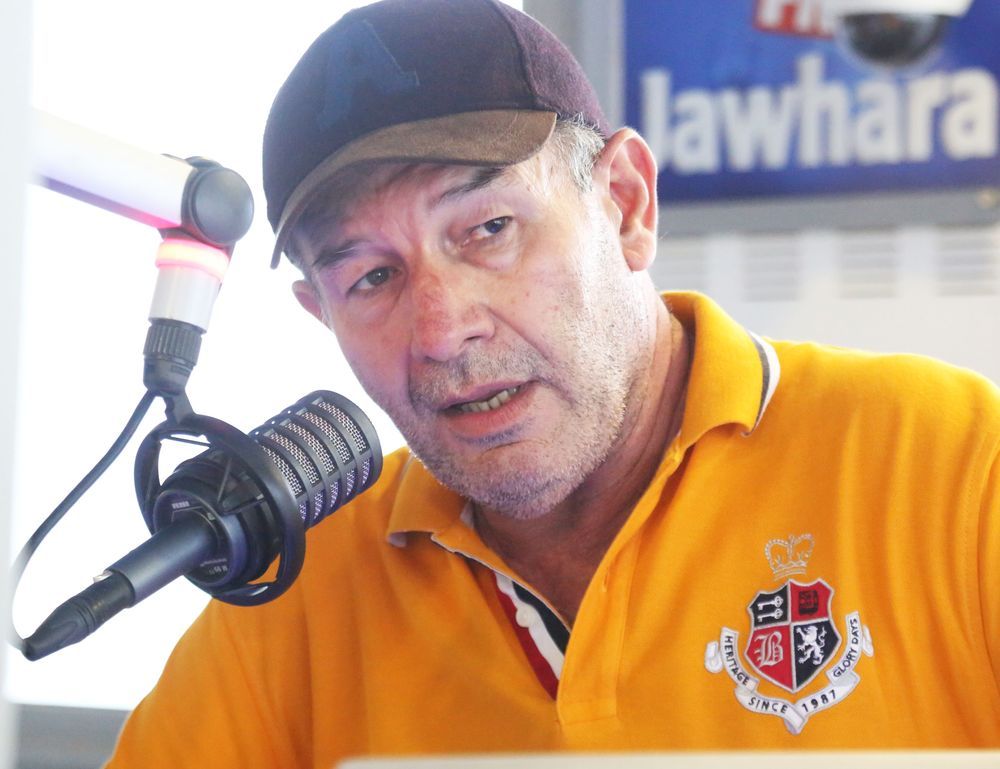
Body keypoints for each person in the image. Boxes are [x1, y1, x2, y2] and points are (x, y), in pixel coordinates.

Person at [106, 0, 1000, 766]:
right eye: (371, 277)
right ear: (320, 312)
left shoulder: (952, 463)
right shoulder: (299, 581)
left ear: (627, 204)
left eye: (488, 228)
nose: (442, 329)